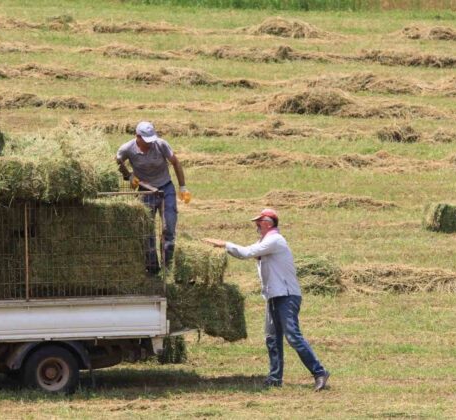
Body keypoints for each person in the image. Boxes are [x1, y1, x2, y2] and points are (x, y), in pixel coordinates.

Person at [203, 208, 329, 391]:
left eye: (259, 222)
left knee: (293, 336)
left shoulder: (275, 240)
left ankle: (319, 372)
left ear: (269, 223)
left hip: (287, 296)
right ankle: (275, 378)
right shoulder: (266, 241)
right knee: (272, 338)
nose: (256, 225)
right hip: (273, 296)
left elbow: (246, 253)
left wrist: (224, 244)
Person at [116, 121, 189, 273]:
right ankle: (153, 269)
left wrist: (182, 187)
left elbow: (175, 162)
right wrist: (128, 176)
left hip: (165, 189)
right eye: (146, 140)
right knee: (146, 231)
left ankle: (167, 267)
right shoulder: (127, 149)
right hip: (145, 191)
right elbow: (118, 160)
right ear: (138, 137)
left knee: (168, 227)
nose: (150, 144)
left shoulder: (161, 145)